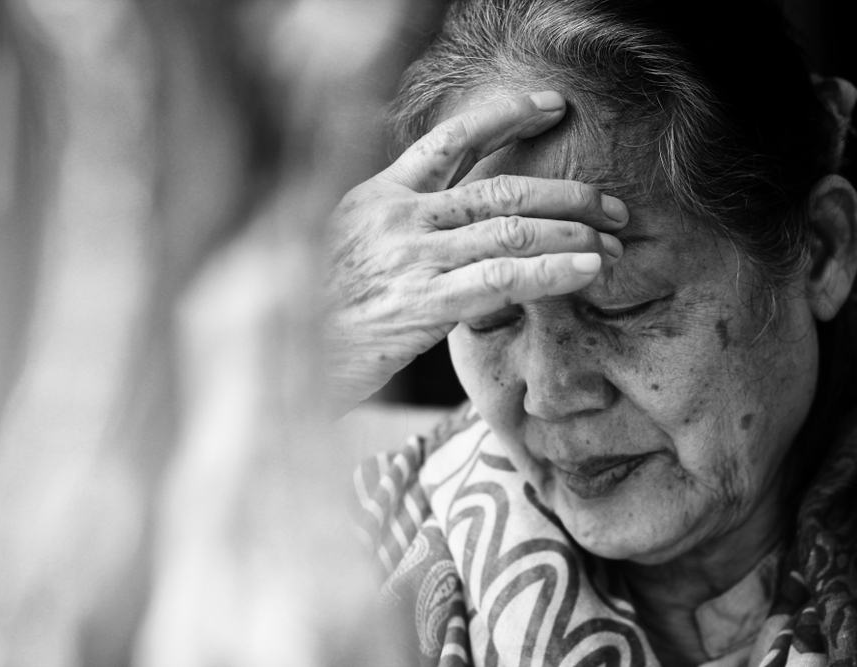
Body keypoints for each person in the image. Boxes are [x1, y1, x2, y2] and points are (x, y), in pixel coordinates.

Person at [325, 0, 857, 665]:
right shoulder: (348, 552)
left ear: (823, 249)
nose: (550, 392)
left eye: (622, 305)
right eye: (489, 312)